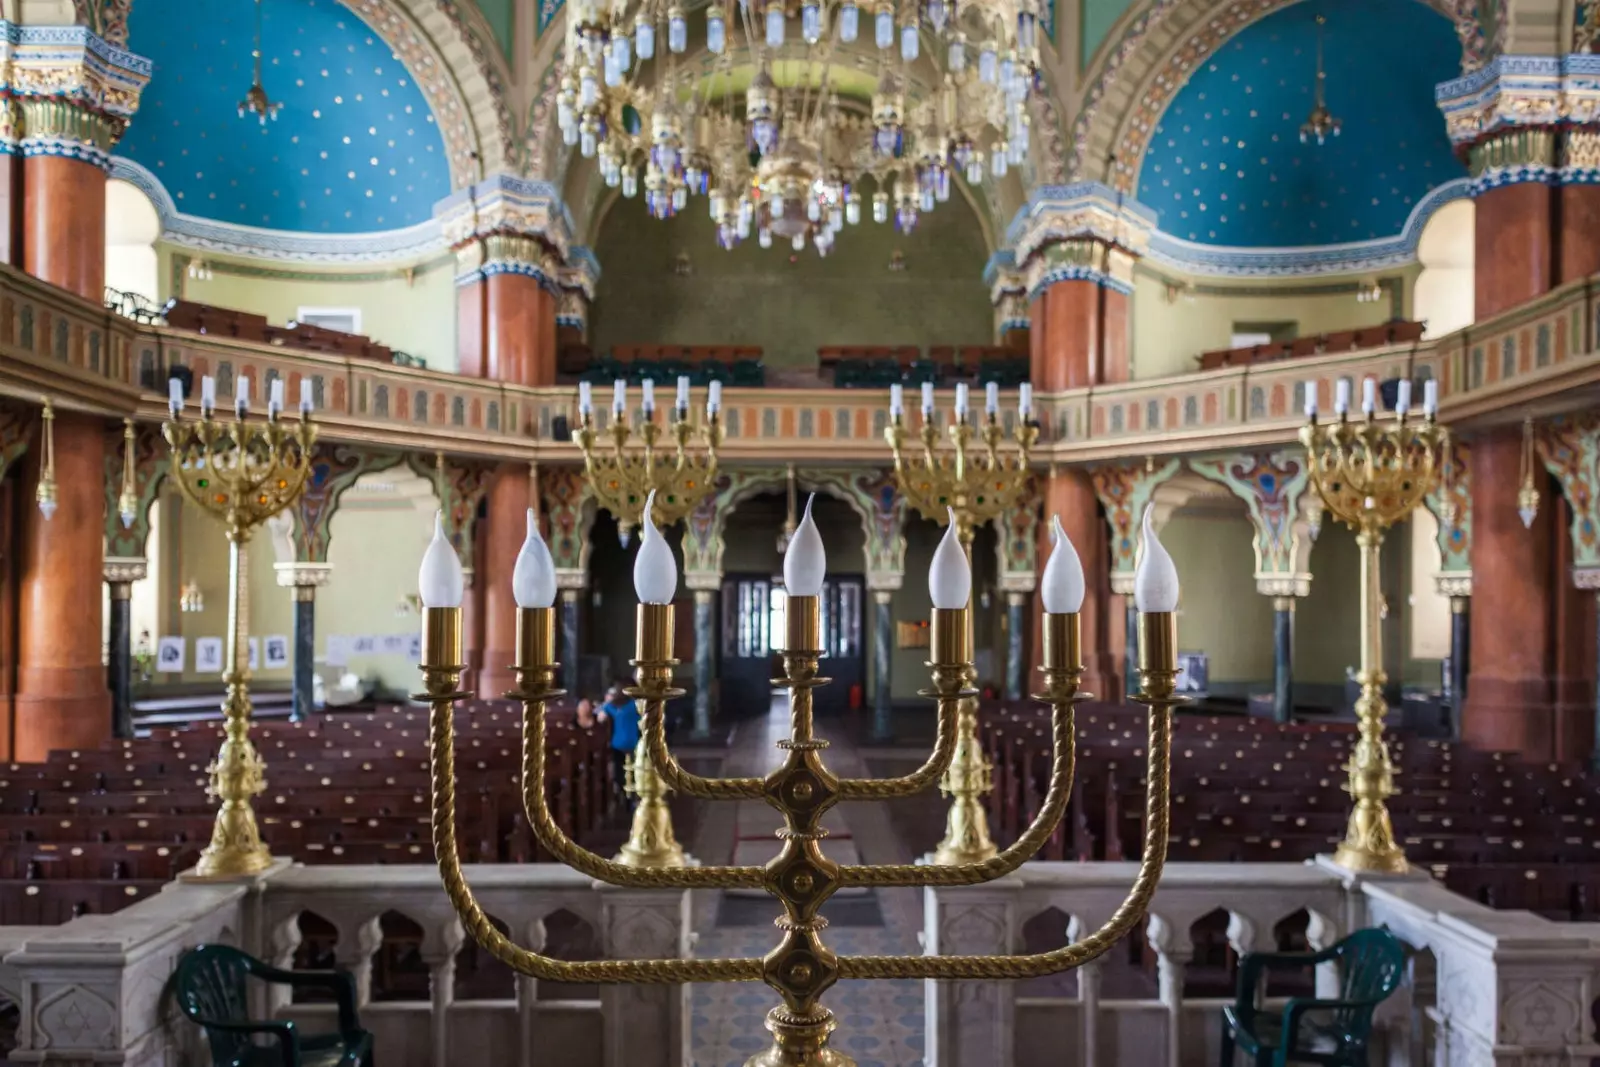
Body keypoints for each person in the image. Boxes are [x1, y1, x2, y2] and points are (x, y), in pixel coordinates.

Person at [596, 684, 641, 806]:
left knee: (624, 772)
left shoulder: (616, 706)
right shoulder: (630, 705)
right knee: (628, 772)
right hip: (626, 744)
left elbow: (600, 717)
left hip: (623, 744)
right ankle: (629, 798)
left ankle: (625, 796)